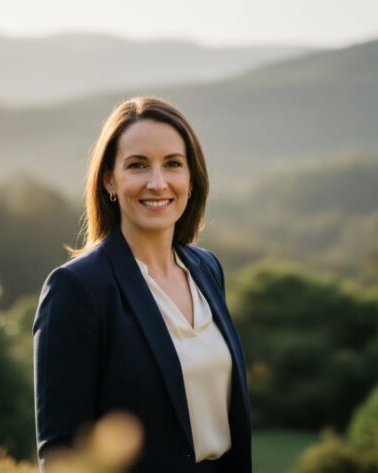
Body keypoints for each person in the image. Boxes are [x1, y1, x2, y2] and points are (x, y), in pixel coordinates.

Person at [33, 96, 252, 473]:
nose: (157, 182)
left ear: (191, 179)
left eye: (173, 164)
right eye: (137, 165)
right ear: (109, 180)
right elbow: (62, 456)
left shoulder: (207, 269)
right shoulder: (77, 289)